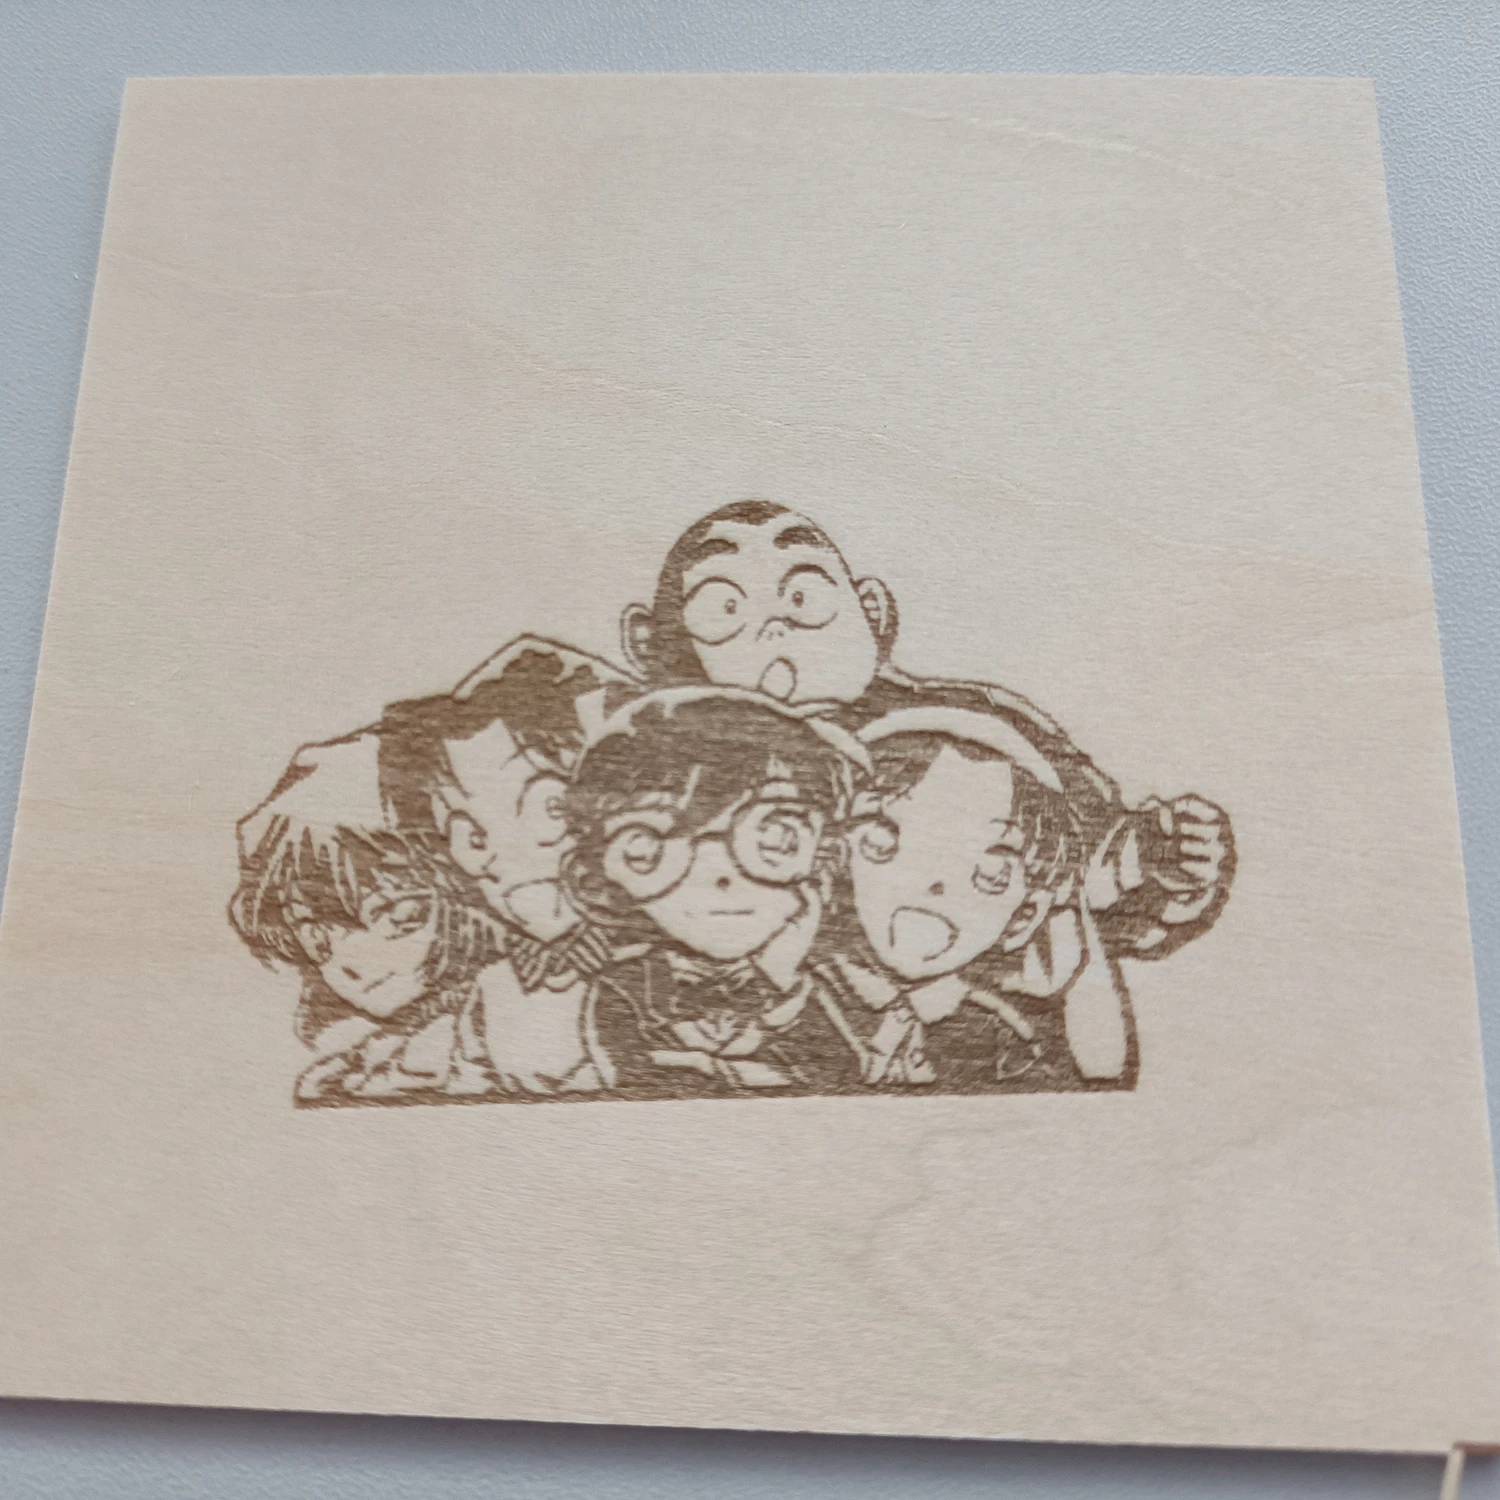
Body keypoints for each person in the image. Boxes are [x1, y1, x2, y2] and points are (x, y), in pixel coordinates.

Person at [619, 502, 1235, 1079]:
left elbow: (1080, 862)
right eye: (725, 608)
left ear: (872, 614)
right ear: (652, 647)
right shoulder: (645, 771)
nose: (774, 628)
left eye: (803, 598)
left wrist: (1155, 860)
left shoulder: (969, 732)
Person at [562, 688, 871, 1098]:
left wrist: (779, 982)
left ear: (822, 857)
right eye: (652, 848)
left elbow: (840, 1079)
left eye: (776, 839)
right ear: (600, 877)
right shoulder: (627, 988)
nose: (721, 877)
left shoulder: (810, 986)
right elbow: (641, 1089)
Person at [377, 636, 634, 1095]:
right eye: (473, 838)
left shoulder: (656, 973)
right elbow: (470, 1078)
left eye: (553, 809)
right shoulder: (493, 985)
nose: (501, 858)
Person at [229, 731, 496, 1104]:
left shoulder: (505, 1026)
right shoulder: (352, 1055)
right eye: (313, 932)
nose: (350, 961)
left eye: (399, 915)